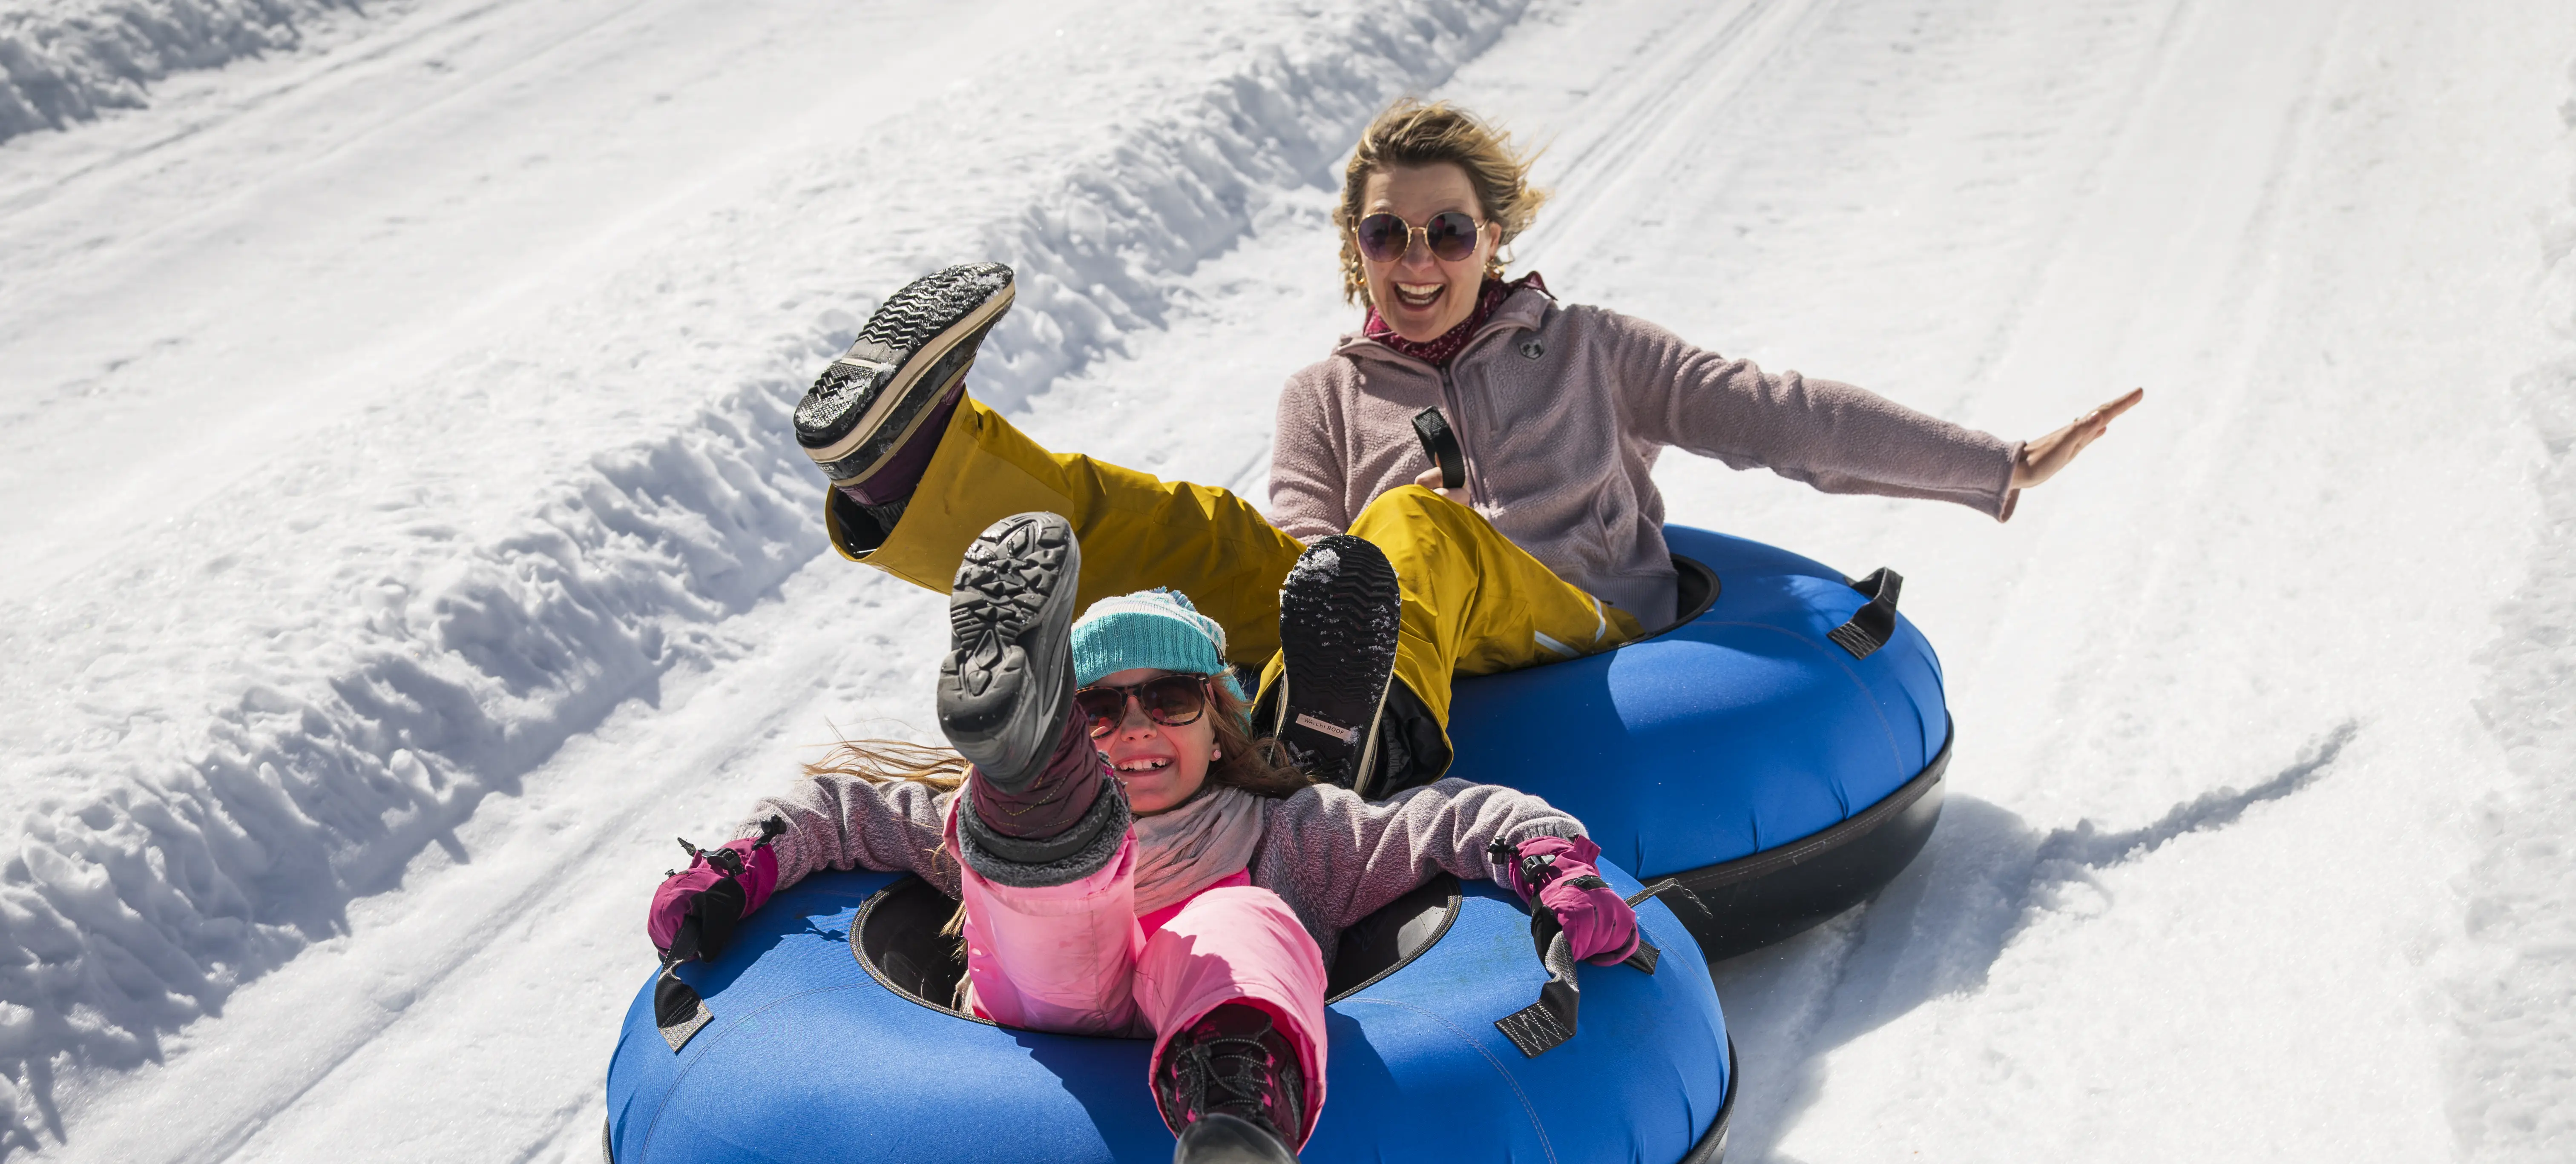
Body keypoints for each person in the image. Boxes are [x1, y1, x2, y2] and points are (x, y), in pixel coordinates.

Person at [791, 102, 2137, 797]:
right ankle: (912, 468)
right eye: (1388, 234)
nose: (1418, 258)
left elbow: (1780, 415)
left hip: (1568, 615)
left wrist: (1996, 465)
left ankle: (1353, 750)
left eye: (1447, 231)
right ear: (1354, 251)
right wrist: (1300, 593)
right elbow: (1303, 547)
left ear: (1495, 240)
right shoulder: (1323, 390)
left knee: (1419, 537)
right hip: (1379, 602)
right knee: (1204, 535)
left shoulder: (1594, 347)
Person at [645, 513, 1645, 1164]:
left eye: (1169, 698)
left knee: (1237, 921)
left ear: (1220, 723)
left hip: (1217, 1020)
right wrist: (738, 865)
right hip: (1046, 996)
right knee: (1034, 875)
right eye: (1095, 708)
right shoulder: (960, 825)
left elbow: (1455, 816)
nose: (1136, 725)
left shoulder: (1296, 833)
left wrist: (1552, 863)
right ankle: (1037, 789)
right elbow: (838, 807)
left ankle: (1241, 1128)